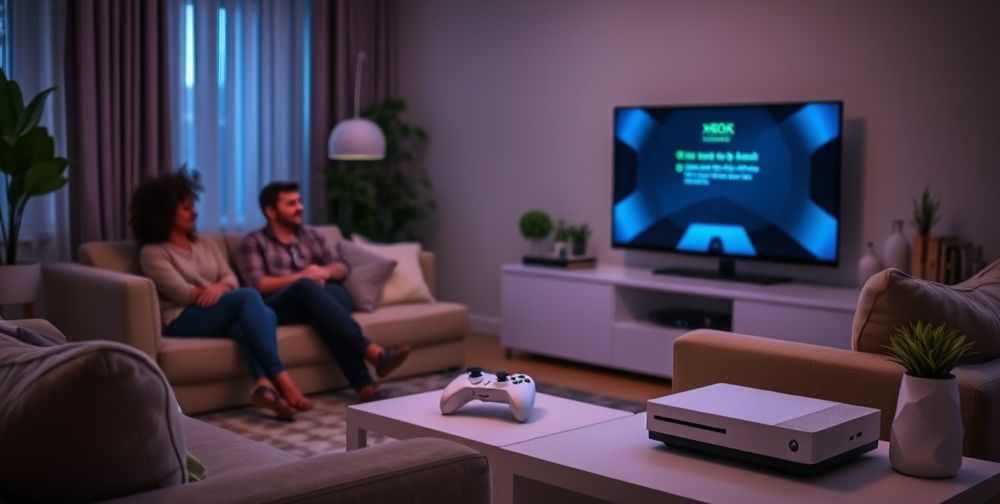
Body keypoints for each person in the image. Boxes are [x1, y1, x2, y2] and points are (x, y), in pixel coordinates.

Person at [130, 171, 312, 419]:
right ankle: (282, 379)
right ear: (164, 214)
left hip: (212, 309)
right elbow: (183, 294)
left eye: (193, 206)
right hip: (180, 319)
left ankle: (262, 385)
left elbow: (230, 278)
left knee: (259, 317)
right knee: (248, 298)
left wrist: (217, 288)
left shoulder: (205, 242)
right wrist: (218, 289)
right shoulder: (153, 253)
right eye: (186, 208)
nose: (194, 212)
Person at [238, 181, 410, 403]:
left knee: (329, 302)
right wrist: (302, 276)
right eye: (291, 203)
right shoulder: (253, 241)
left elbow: (341, 267)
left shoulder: (311, 235)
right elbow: (257, 285)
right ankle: (371, 352)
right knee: (307, 287)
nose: (299, 207)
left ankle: (366, 389)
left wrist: (322, 271)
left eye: (299, 201)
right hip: (278, 305)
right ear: (271, 211)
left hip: (316, 303)